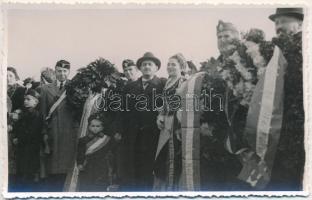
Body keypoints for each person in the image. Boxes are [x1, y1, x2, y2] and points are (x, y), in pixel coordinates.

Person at [267, 7, 305, 191]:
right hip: (278, 134)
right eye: (276, 23)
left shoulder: (305, 47)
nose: (278, 26)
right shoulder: (277, 51)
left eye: (283, 21)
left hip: (299, 133)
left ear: (299, 23)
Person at [119, 52, 166, 191]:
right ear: (139, 68)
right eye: (144, 64)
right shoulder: (130, 87)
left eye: (150, 64)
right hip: (132, 136)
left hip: (153, 135)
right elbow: (122, 111)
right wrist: (120, 131)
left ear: (156, 67)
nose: (146, 67)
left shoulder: (162, 85)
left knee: (150, 169)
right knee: (132, 169)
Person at [40, 60, 79, 191]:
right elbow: (43, 112)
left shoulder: (75, 87)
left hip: (69, 132)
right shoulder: (46, 89)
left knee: (67, 165)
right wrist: (45, 132)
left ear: (69, 72)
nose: (62, 73)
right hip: (53, 131)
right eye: (59, 71)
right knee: (53, 166)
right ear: (55, 71)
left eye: (65, 71)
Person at [153, 53, 191, 191]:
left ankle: (172, 190)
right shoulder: (168, 82)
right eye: (168, 64)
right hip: (165, 125)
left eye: (173, 64)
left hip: (176, 124)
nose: (169, 67)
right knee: (162, 157)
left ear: (181, 67)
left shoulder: (184, 82)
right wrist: (160, 116)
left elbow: (184, 106)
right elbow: (163, 104)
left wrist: (178, 125)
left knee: (172, 157)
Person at [11, 89, 43, 191]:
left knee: (29, 174)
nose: (25, 101)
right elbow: (18, 128)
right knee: (22, 172)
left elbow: (32, 132)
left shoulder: (37, 115)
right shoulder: (24, 113)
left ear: (36, 102)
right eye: (25, 99)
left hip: (31, 149)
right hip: (23, 149)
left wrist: (19, 139)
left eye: (28, 99)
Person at [76, 113, 117, 191]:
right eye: (93, 126)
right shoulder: (83, 140)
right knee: (86, 187)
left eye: (98, 126)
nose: (95, 128)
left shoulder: (107, 139)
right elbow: (80, 153)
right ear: (89, 127)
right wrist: (80, 163)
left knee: (100, 187)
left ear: (102, 127)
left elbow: (112, 153)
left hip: (102, 167)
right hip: (87, 167)